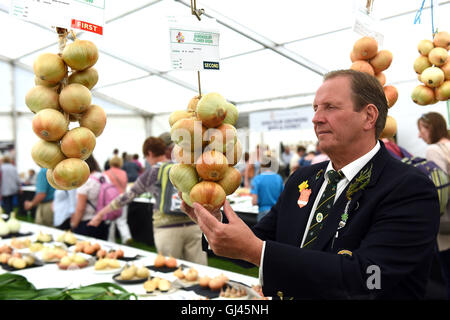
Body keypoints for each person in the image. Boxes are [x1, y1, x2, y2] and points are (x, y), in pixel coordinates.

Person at [181, 69, 441, 299]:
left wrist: (257, 251)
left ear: (368, 116)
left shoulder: (409, 188)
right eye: (315, 108)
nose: (316, 118)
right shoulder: (302, 179)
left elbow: (370, 278)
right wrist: (214, 222)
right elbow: (260, 240)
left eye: (330, 107)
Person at [88, 137, 207, 265]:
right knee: (199, 271)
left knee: (170, 271)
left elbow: (127, 196)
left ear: (149, 153)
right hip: (193, 225)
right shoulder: (182, 167)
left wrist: (101, 214)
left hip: (167, 229)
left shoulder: (153, 172)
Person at [417, 112, 450, 298]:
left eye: (421, 129)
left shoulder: (434, 150)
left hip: (446, 224)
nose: (419, 135)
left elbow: (440, 186)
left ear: (431, 128)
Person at [71, 155, 109, 240]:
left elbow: (81, 208)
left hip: (87, 223)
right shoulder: (103, 177)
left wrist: (74, 225)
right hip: (102, 220)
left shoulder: (85, 181)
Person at [104, 155, 132, 244]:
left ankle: (111, 241)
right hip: (123, 197)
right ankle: (126, 237)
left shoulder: (106, 173)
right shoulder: (124, 173)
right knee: (122, 220)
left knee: (110, 221)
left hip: (111, 199)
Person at [250, 155, 284, 222]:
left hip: (263, 213)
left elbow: (254, 201)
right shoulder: (279, 178)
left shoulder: (257, 179)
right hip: (276, 213)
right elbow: (283, 197)